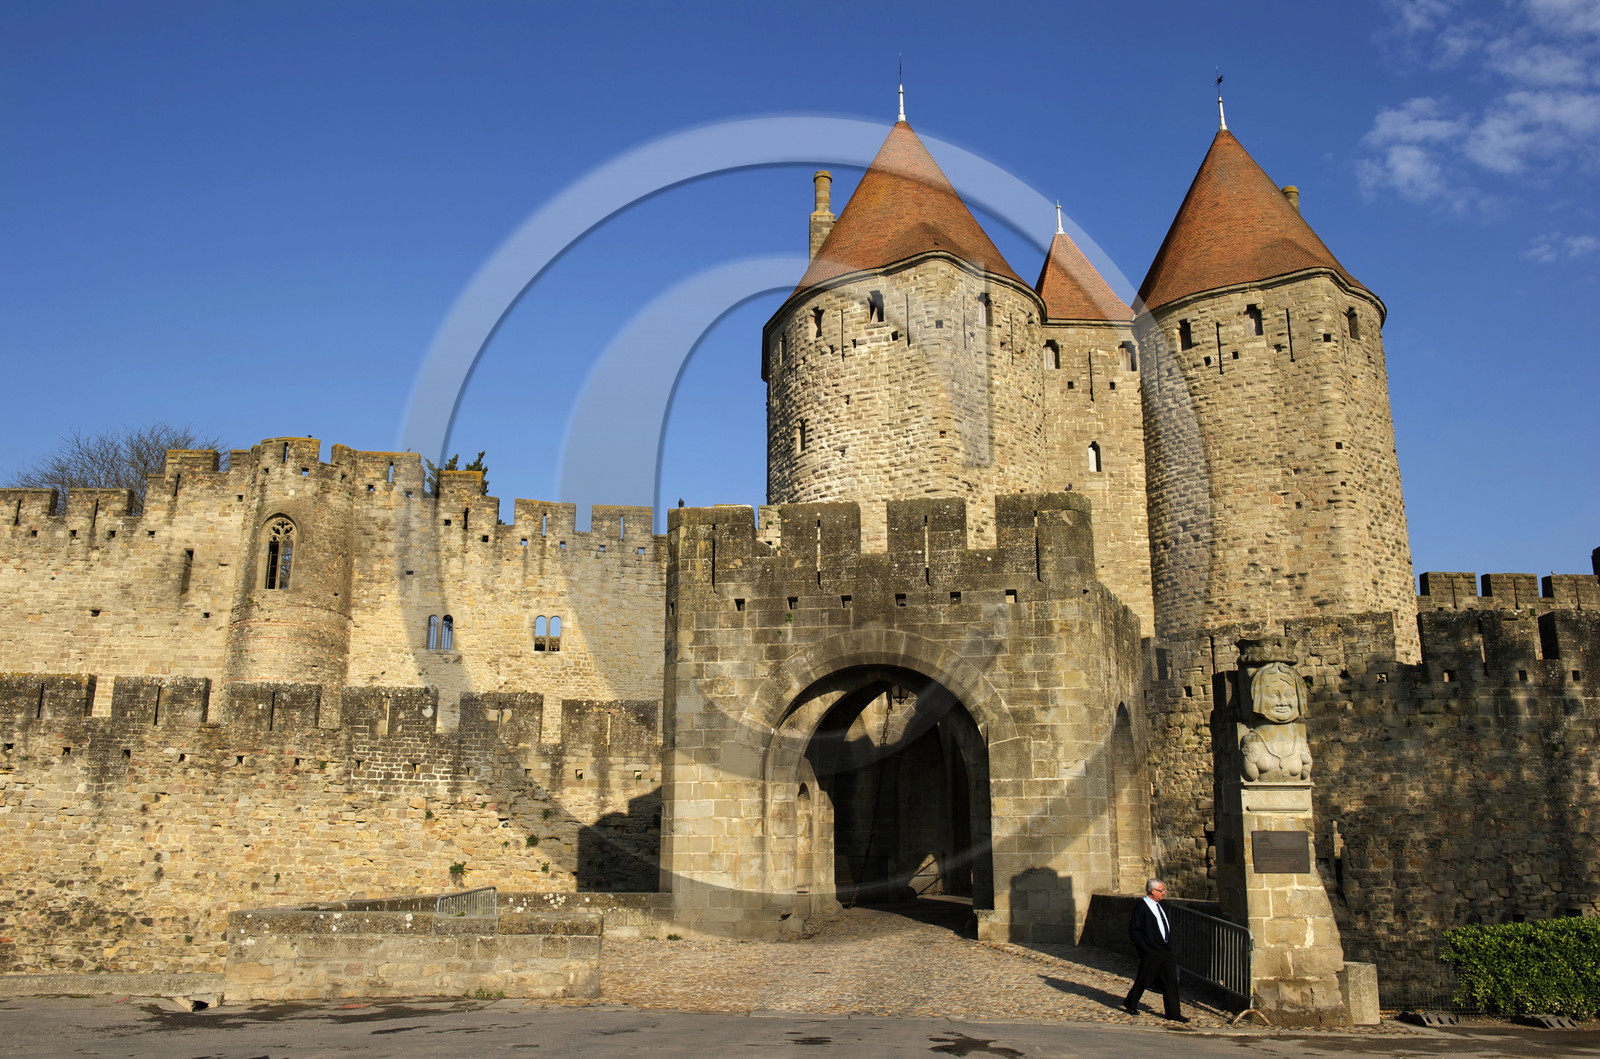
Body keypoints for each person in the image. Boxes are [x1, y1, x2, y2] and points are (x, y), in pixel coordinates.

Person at [1123, 878, 1189, 1022]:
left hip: (1164, 950)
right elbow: (1135, 931)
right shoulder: (1141, 907)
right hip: (1151, 951)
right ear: (1153, 891)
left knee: (1171, 980)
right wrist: (1146, 948)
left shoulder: (1158, 906)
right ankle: (1131, 1002)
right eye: (1161, 890)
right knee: (1144, 979)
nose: (1164, 893)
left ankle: (1173, 1013)